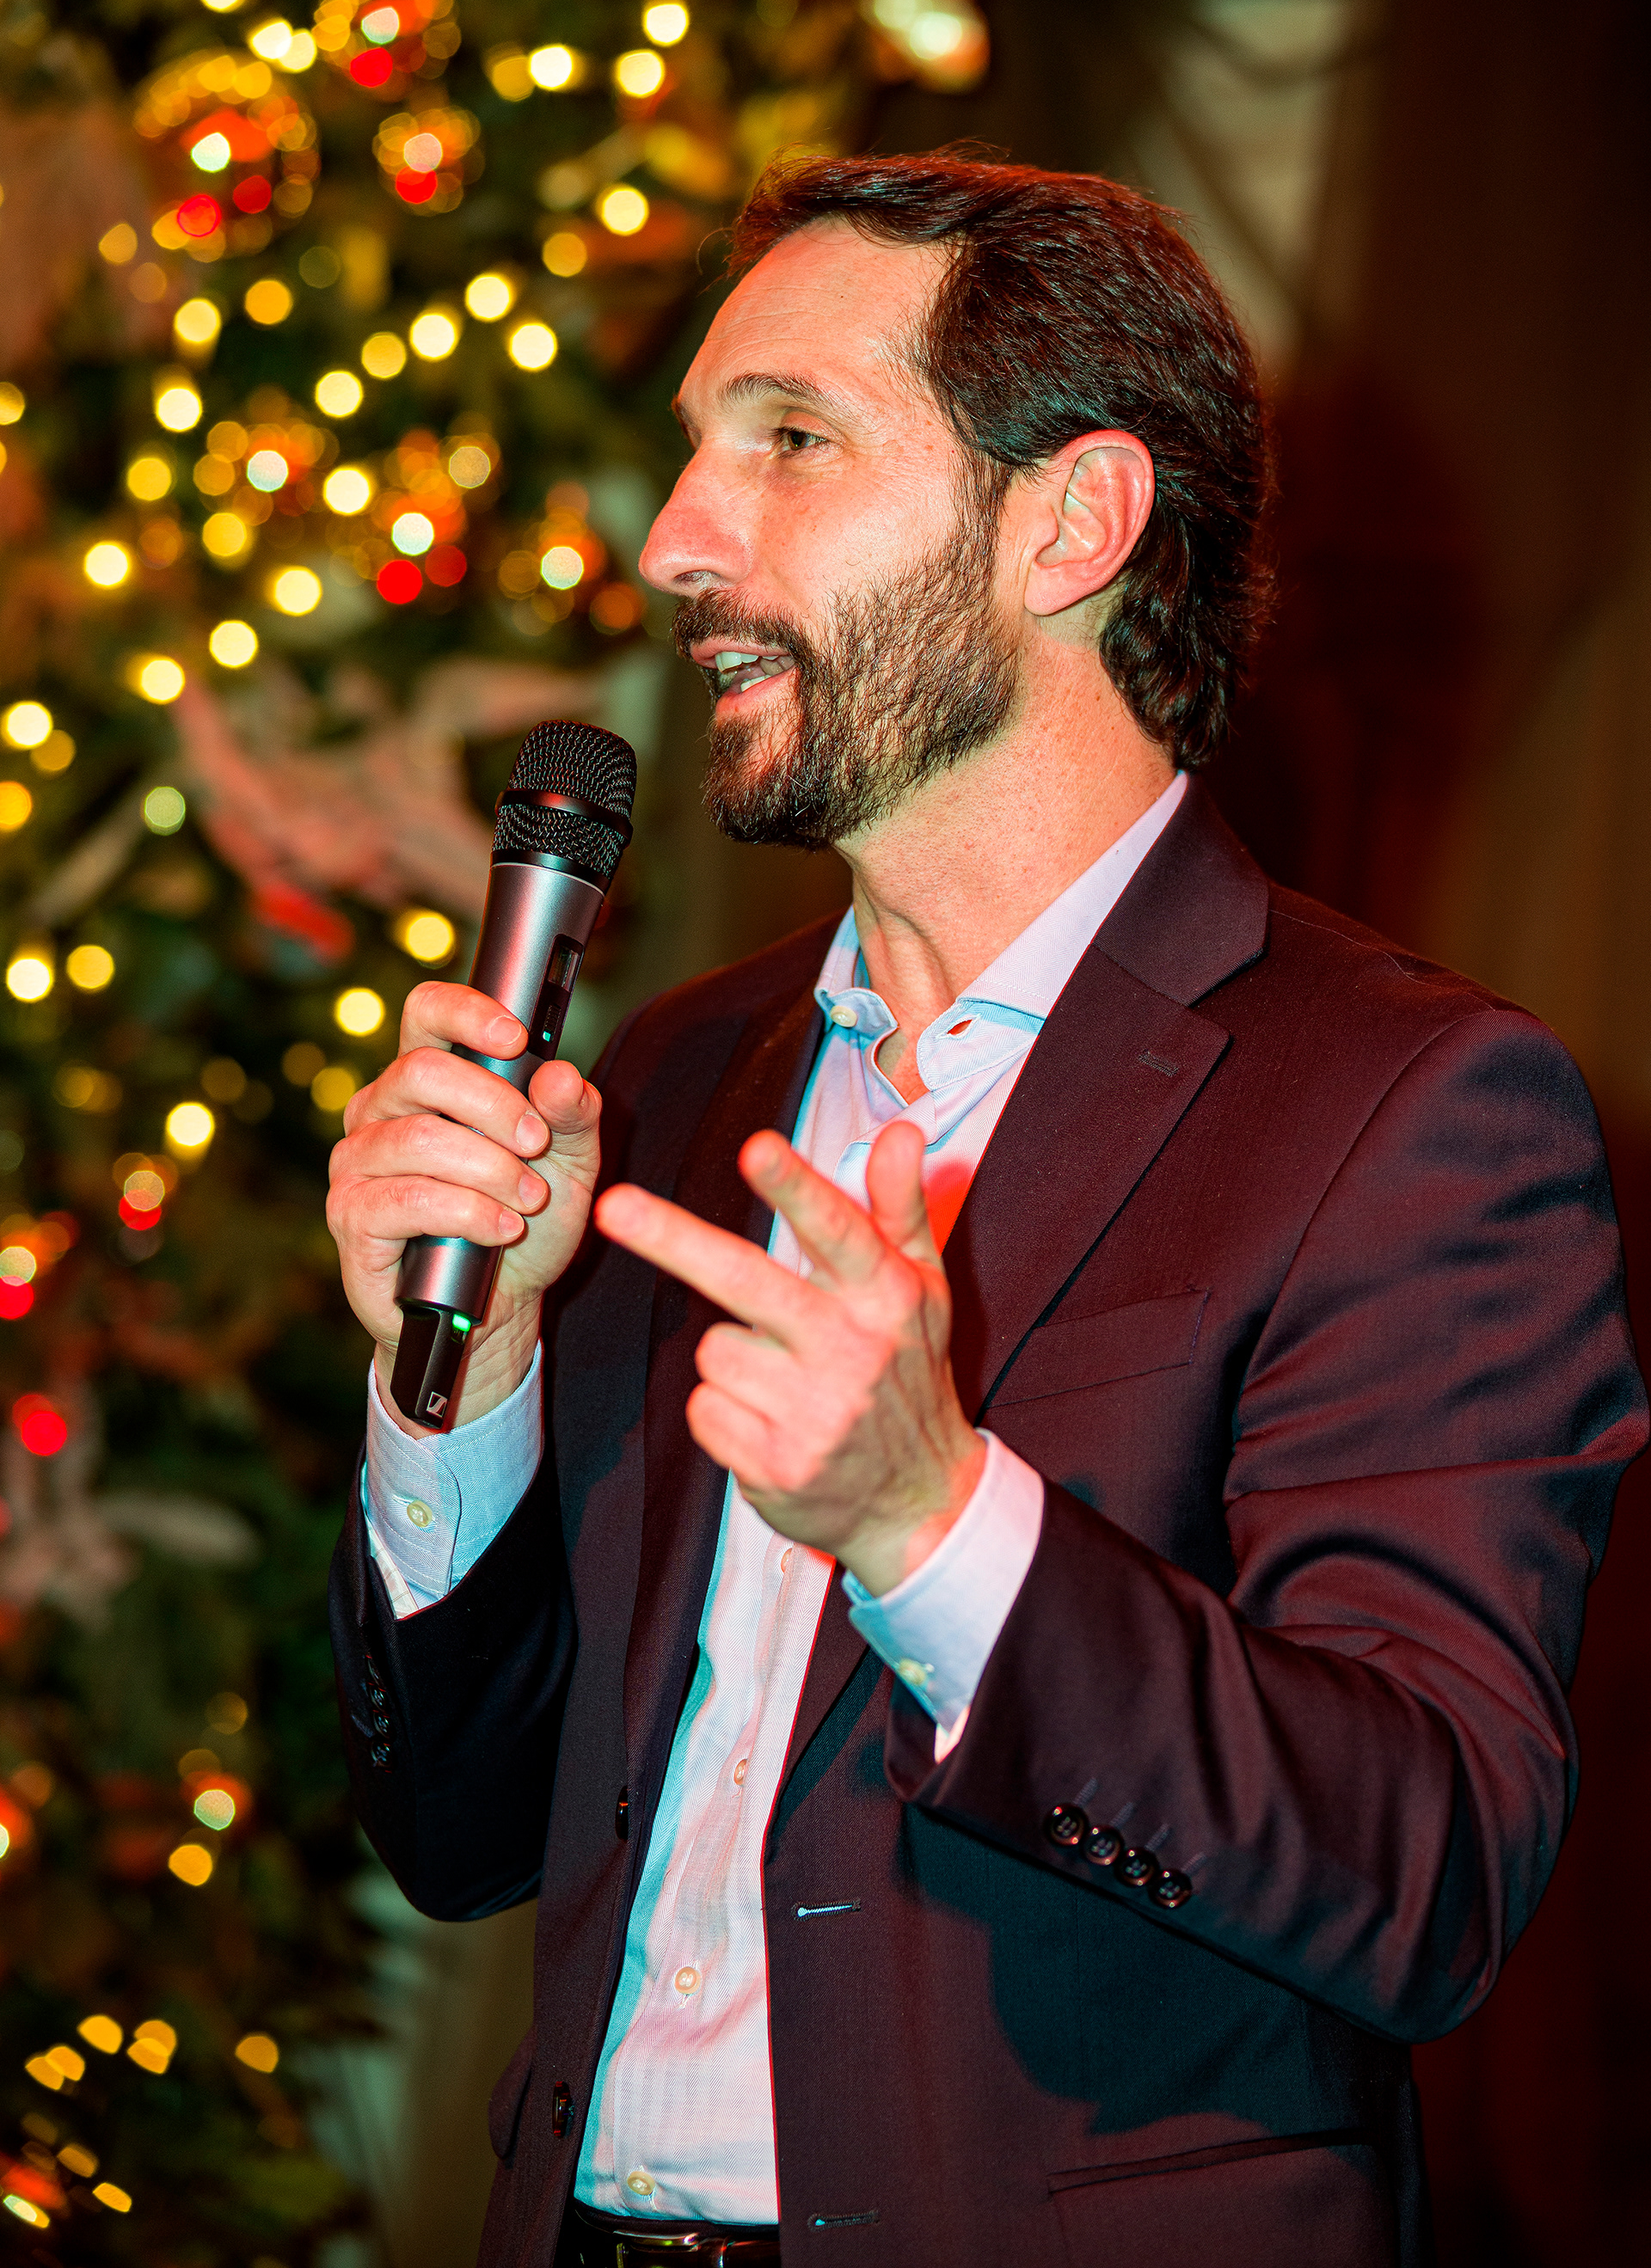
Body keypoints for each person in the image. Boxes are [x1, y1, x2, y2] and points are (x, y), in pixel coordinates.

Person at [325, 153, 1646, 2268]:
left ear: (1074, 523)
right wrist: (461, 1385)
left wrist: (934, 1521)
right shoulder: (672, 1074)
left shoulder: (1405, 1104)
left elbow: (1425, 1872)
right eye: (699, 450)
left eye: (791, 440)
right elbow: (468, 1831)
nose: (679, 542)